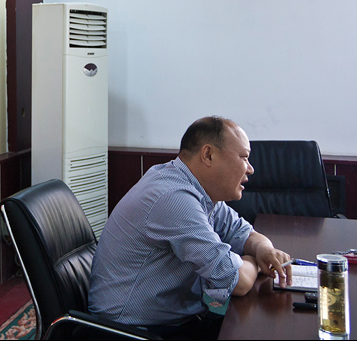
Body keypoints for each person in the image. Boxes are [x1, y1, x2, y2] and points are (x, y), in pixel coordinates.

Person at [87, 116, 293, 340]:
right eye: (244, 157)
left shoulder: (198, 191)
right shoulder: (174, 198)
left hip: (174, 322)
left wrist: (264, 248)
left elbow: (242, 232)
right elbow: (238, 281)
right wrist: (254, 261)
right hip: (132, 332)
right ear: (208, 155)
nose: (250, 169)